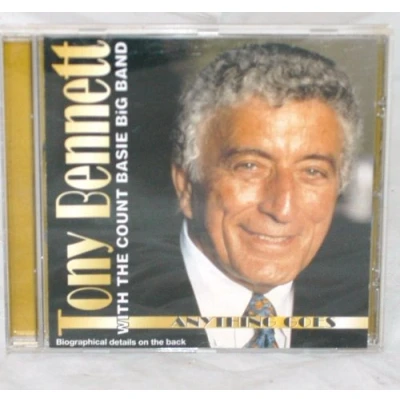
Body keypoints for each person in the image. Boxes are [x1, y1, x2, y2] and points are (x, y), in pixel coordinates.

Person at [130, 43, 370, 349]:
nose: (282, 208)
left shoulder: (372, 312)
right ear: (186, 186)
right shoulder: (99, 315)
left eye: (312, 171)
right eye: (250, 166)